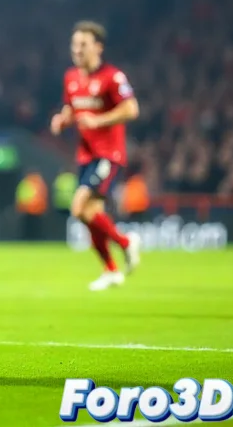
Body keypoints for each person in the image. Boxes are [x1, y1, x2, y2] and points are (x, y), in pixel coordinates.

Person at [50, 21, 141, 291]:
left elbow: (132, 109)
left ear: (98, 47)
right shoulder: (71, 78)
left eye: (83, 45)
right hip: (86, 156)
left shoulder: (113, 77)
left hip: (109, 154)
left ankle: (126, 243)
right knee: (91, 214)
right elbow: (71, 108)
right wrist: (62, 120)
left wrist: (99, 121)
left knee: (79, 207)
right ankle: (111, 270)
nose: (77, 50)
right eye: (74, 45)